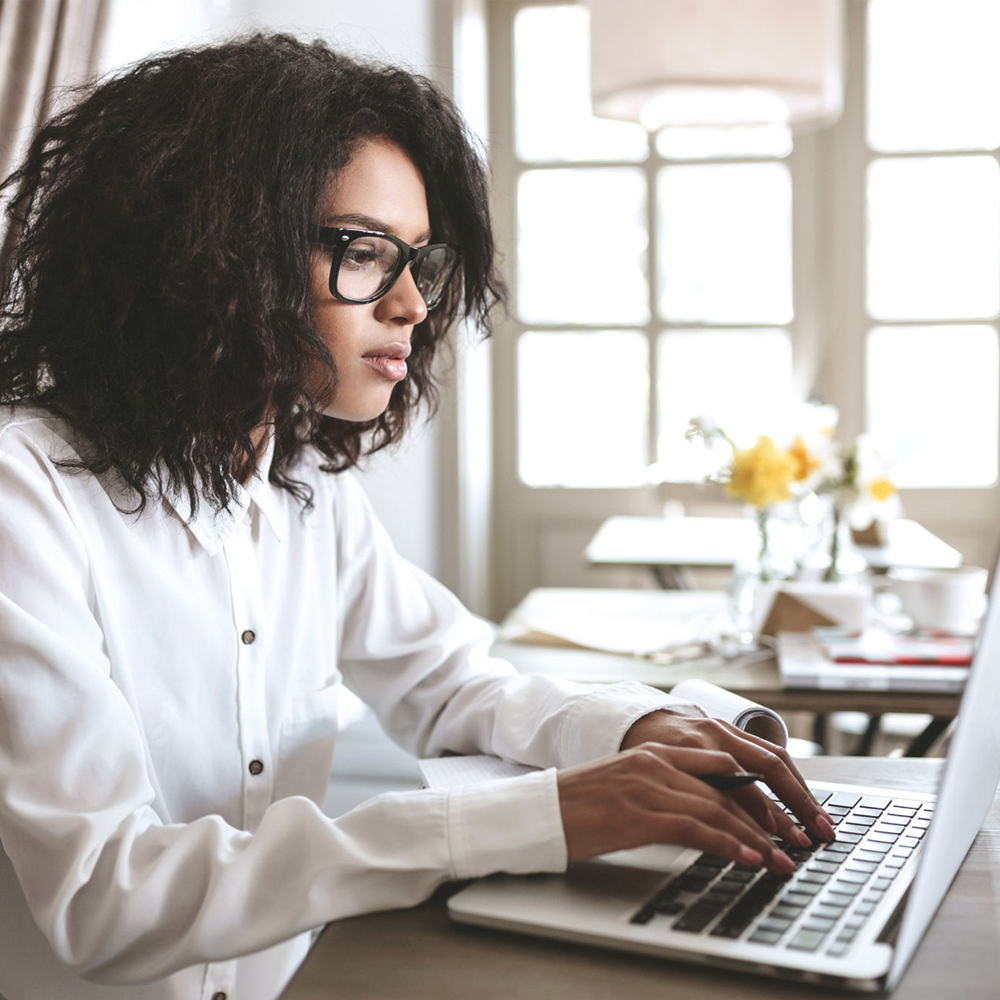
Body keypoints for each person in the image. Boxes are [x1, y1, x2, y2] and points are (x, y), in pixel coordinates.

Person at [0, 34, 834, 1000]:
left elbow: (451, 685)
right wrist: (538, 817)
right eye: (363, 251)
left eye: (421, 263)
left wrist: (633, 729)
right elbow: (107, 899)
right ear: (213, 249)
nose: (411, 304)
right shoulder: (25, 494)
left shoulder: (301, 484)